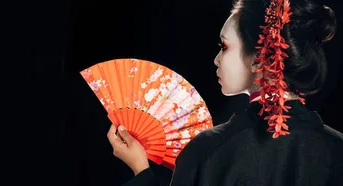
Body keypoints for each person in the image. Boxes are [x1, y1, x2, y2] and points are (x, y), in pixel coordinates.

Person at [108, 0, 343, 185]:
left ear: (259, 59)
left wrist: (142, 172)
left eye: (224, 47)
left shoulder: (208, 151)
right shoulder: (337, 149)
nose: (216, 59)